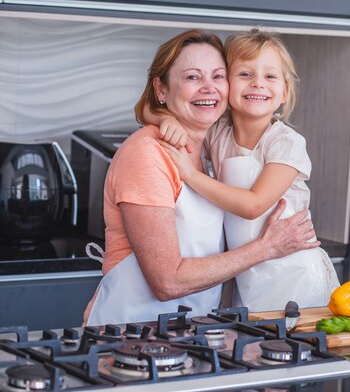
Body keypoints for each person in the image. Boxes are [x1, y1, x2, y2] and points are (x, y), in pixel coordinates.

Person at [83, 29, 319, 326]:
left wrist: (166, 120)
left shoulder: (206, 149)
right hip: (129, 333)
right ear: (162, 89)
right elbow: (167, 281)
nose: (208, 88)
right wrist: (266, 248)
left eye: (217, 76)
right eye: (193, 77)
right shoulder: (150, 155)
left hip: (197, 328)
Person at [148, 28, 340, 312]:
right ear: (226, 83)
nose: (258, 84)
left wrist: (190, 174)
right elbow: (150, 109)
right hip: (247, 272)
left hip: (294, 274)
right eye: (245, 74)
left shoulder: (286, 143)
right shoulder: (219, 132)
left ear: (285, 91)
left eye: (270, 76)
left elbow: (253, 205)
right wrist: (166, 120)